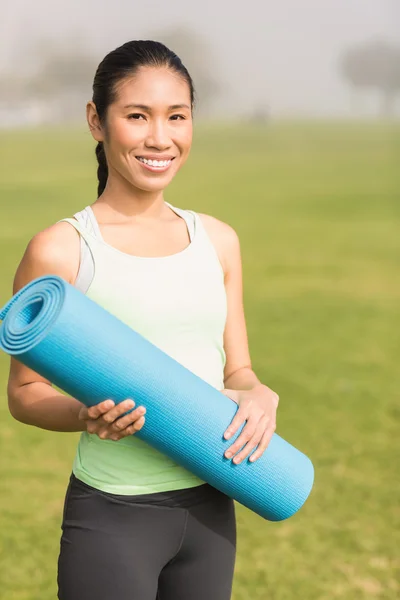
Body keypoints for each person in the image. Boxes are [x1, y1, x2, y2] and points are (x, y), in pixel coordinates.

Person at [7, 40, 279, 600]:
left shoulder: (218, 242)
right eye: (138, 116)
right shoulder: (62, 251)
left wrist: (258, 395)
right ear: (96, 122)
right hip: (113, 517)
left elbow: (240, 369)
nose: (161, 137)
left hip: (212, 503)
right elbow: (24, 393)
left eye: (177, 117)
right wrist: (84, 413)